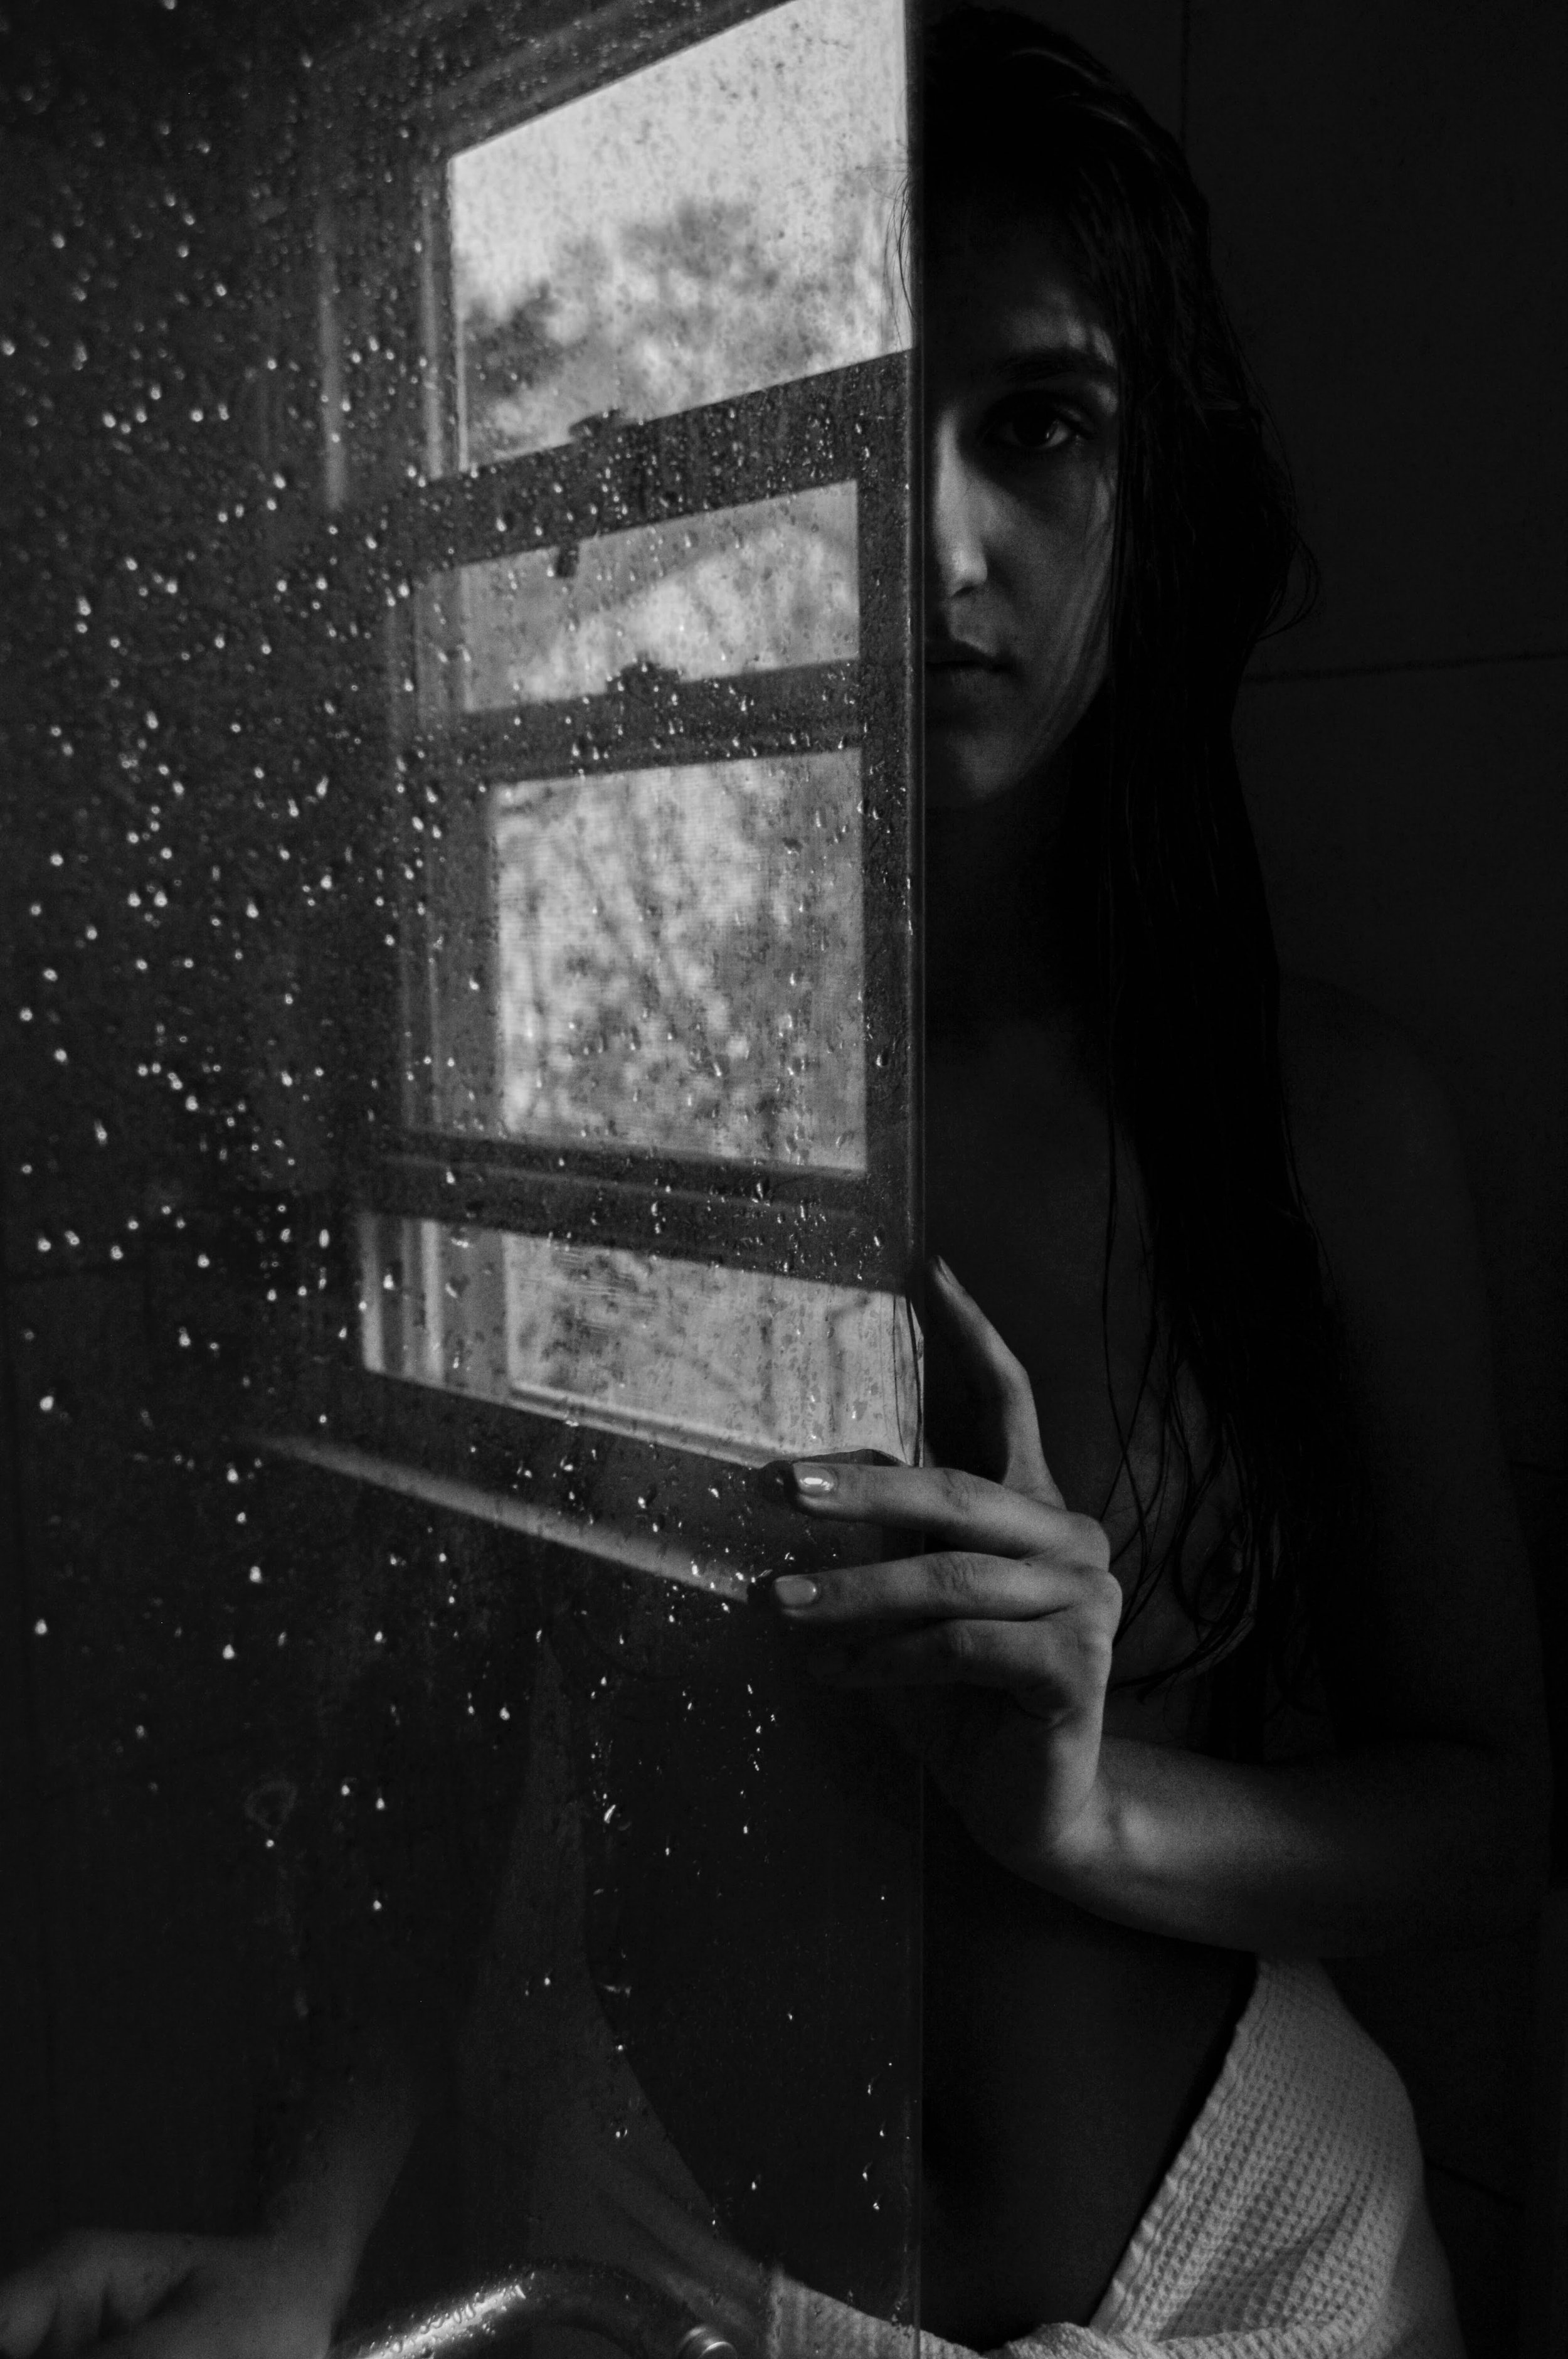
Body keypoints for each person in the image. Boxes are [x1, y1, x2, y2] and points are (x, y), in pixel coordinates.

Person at [0, 11, 1549, 2357]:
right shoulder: (571, 1100)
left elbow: (1485, 1808)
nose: (924, 542)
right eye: (836, 425)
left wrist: (1082, 1813)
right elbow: (422, 1754)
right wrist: (304, 2244)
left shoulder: (1318, 1122)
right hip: (662, 2257)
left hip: (1253, 2271)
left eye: (1035, 425)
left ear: (1161, 486)